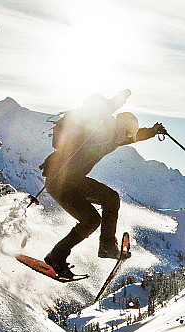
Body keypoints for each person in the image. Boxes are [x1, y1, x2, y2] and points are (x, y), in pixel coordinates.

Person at [40, 92, 165, 279]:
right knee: (97, 212)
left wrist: (153, 131)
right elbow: (100, 112)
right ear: (119, 126)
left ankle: (99, 248)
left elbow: (134, 136)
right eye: (126, 133)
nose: (126, 138)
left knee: (102, 209)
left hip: (72, 181)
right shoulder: (102, 128)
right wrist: (118, 100)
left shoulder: (114, 138)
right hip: (60, 181)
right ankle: (59, 256)